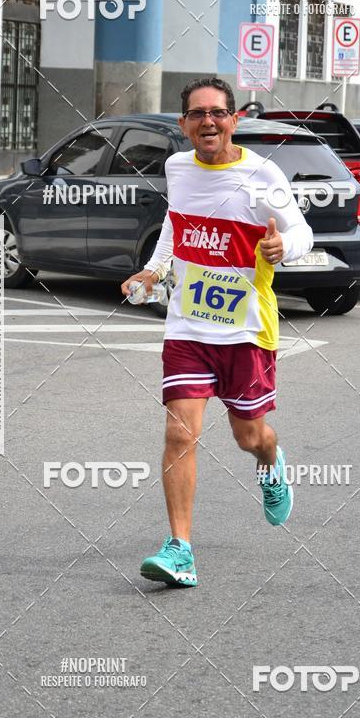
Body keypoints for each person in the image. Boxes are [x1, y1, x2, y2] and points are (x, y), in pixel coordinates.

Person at [121, 76, 313, 587]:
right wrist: (155, 269)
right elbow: (175, 223)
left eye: (218, 113)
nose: (209, 121)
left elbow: (301, 231)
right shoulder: (177, 167)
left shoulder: (262, 174)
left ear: (234, 120)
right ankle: (180, 548)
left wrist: (282, 249)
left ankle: (271, 461)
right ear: (184, 124)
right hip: (187, 327)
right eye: (197, 113)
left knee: (249, 436)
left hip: (246, 330)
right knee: (178, 431)